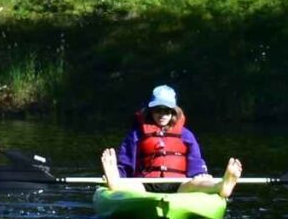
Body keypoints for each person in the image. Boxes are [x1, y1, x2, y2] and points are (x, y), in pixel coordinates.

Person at [103, 84, 244, 197]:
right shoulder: (136, 134)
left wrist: (201, 176)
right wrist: (119, 174)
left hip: (179, 185)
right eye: (158, 110)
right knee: (129, 185)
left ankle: (222, 186)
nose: (162, 115)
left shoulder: (186, 135)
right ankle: (115, 182)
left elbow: (196, 161)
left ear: (173, 112)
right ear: (150, 111)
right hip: (144, 184)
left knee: (197, 182)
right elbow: (127, 162)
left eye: (167, 111)